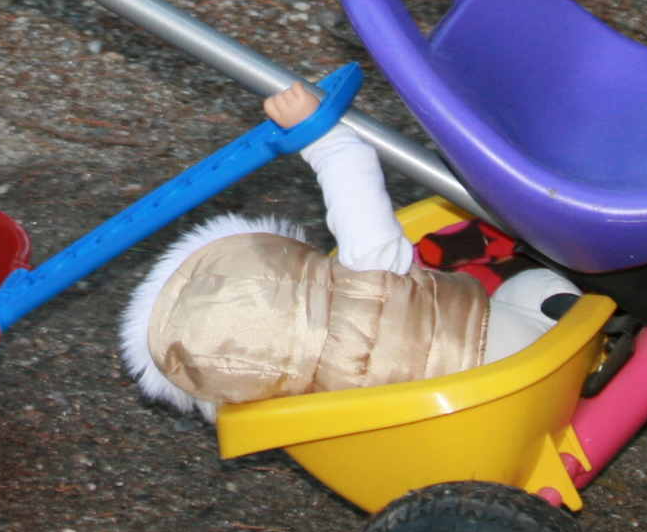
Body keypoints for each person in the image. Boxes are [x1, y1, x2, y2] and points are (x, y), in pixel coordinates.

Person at [121, 81, 582, 415]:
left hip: (466, 418)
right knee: (532, 285)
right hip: (518, 362)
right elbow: (353, 184)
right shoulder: (366, 277)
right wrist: (320, 136)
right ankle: (586, 330)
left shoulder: (314, 402)